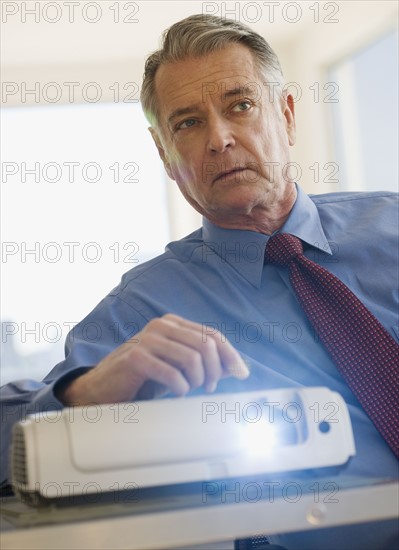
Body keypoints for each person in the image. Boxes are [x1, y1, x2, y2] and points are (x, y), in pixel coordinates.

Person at [1, 14, 398, 549]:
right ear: (165, 154)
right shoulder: (143, 308)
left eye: (240, 105)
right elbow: (12, 442)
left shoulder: (390, 225)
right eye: (187, 123)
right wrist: (85, 396)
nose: (220, 139)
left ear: (285, 114)